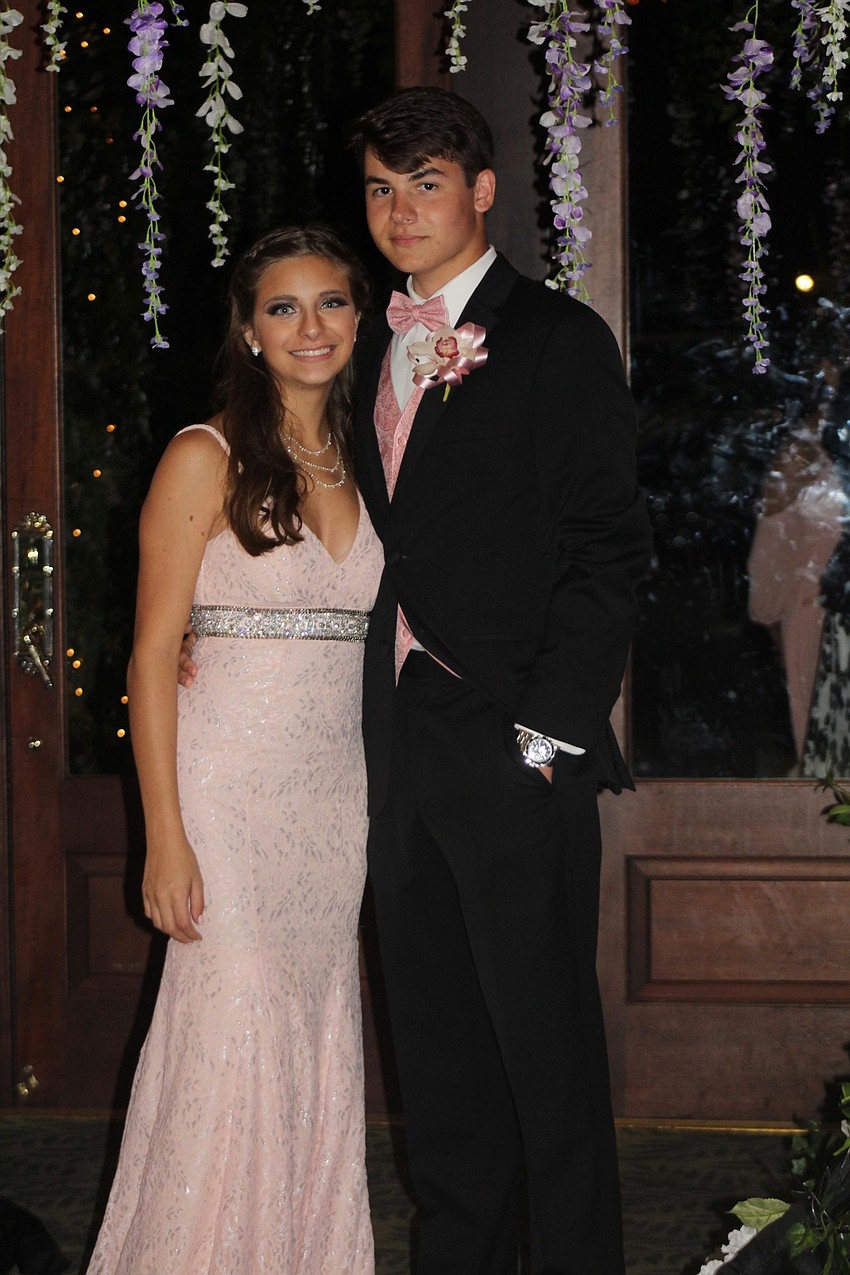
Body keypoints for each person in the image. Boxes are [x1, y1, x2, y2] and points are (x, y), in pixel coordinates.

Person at [346, 88, 653, 1274]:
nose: (400, 208)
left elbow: (608, 549)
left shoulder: (556, 337)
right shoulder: (361, 340)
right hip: (391, 740)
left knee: (544, 1051)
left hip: (509, 735)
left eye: (425, 183)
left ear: (481, 192)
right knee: (433, 1046)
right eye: (380, 186)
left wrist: (546, 733)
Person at [87, 225, 381, 1275]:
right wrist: (165, 838)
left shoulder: (370, 459)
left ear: (361, 317)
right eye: (284, 308)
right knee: (236, 1036)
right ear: (249, 333)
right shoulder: (200, 455)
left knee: (310, 1033)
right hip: (228, 800)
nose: (312, 327)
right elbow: (149, 659)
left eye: (332, 303)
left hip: (331, 806)